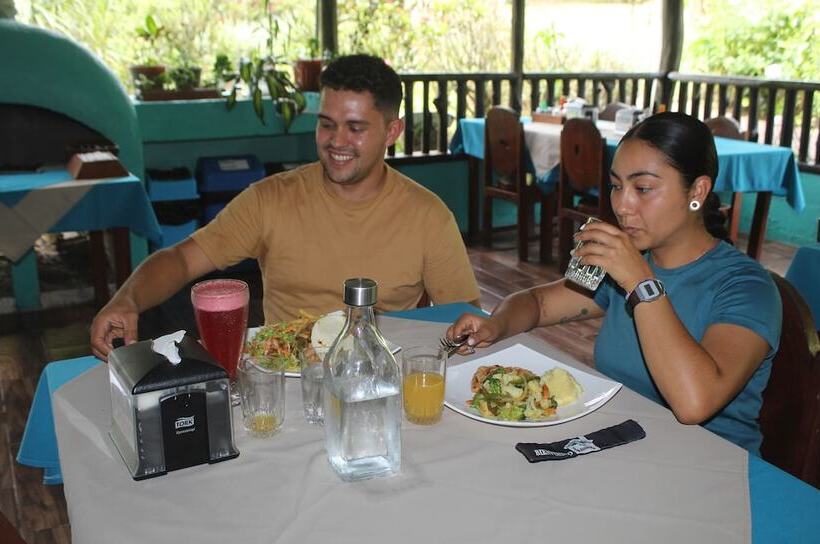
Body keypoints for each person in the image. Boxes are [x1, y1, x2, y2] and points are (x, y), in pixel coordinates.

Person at [91, 54, 480, 359]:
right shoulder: (270, 199)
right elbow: (181, 260)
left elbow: (463, 318)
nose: (336, 141)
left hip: (376, 379)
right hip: (284, 376)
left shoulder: (427, 215)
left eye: (355, 128)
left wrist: (464, 339)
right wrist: (127, 299)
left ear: (392, 132)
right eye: (326, 124)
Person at [447, 112, 781, 454]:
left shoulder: (747, 287)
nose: (622, 205)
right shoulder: (633, 265)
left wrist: (640, 282)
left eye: (643, 188)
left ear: (697, 190)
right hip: (629, 444)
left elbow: (694, 403)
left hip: (716, 466)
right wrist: (495, 324)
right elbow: (539, 303)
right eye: (616, 185)